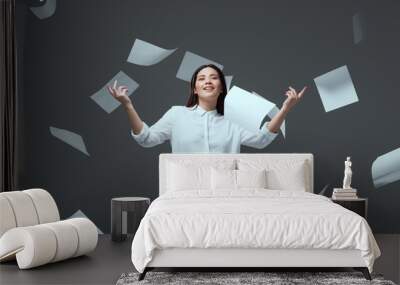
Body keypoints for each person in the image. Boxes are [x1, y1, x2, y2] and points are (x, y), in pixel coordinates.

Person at [107, 64, 306, 153]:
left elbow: (262, 139)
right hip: (184, 192)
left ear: (221, 87)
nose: (208, 81)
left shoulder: (234, 119)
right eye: (201, 79)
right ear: (195, 88)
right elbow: (146, 139)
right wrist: (128, 105)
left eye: (213, 78)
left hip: (226, 193)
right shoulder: (176, 114)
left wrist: (285, 109)